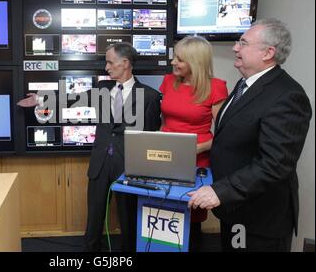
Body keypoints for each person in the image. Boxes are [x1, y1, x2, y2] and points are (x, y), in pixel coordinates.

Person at [18, 42, 161, 252]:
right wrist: (40, 99)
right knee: (94, 216)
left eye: (110, 62)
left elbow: (150, 135)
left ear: (125, 63)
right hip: (100, 163)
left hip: (128, 167)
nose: (106, 67)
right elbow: (75, 99)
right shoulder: (103, 88)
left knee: (128, 218)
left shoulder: (149, 96)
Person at [187, 18, 312, 252]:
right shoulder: (246, 84)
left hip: (260, 220)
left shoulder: (288, 96)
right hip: (234, 209)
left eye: (243, 43)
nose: (235, 48)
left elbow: (275, 164)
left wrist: (219, 190)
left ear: (268, 53)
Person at [159, 35, 228, 251]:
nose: (173, 62)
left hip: (197, 159)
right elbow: (164, 120)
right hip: (167, 155)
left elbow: (226, 134)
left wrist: (198, 148)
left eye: (179, 59)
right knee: (163, 211)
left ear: (195, 62)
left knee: (191, 216)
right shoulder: (169, 81)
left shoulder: (215, 87)